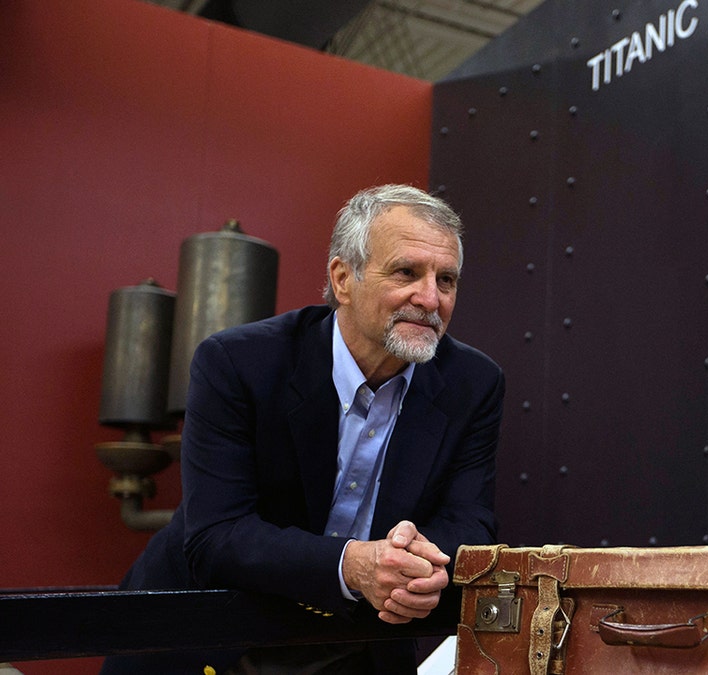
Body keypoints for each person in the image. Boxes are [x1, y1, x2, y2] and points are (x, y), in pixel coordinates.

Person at [101, 184, 505, 674]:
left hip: (360, 637)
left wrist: (420, 564)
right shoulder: (237, 362)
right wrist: (354, 564)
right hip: (208, 630)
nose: (430, 298)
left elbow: (470, 521)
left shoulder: (474, 382)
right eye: (406, 272)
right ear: (343, 278)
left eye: (446, 280)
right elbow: (218, 535)